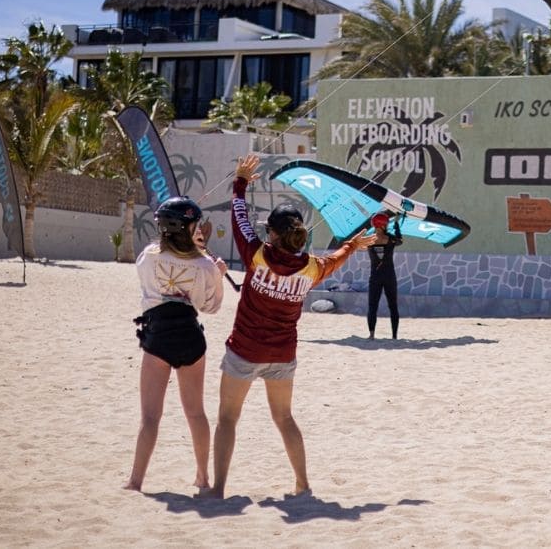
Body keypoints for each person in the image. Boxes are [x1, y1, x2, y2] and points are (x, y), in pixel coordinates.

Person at [206, 153, 373, 499]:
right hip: (282, 356)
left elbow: (239, 220)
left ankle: (219, 488)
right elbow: (336, 260)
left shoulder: (257, 255)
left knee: (226, 420)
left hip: (244, 351)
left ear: (275, 235)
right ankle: (303, 484)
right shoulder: (312, 268)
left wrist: (239, 183)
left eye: (268, 231)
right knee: (284, 418)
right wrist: (353, 245)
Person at [126, 196, 227, 493]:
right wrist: (216, 274)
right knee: (195, 412)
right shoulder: (205, 265)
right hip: (190, 336)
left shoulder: (148, 256)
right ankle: (202, 478)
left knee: (149, 416)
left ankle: (135, 481)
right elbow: (210, 306)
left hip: (158, 334)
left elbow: (149, 286)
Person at [366, 211, 403, 340]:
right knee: (393, 306)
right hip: (389, 276)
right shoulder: (391, 239)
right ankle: (394, 336)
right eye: (386, 224)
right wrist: (397, 225)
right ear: (382, 225)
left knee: (372, 306)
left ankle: (371, 334)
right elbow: (400, 240)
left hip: (375, 277)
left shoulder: (369, 240)